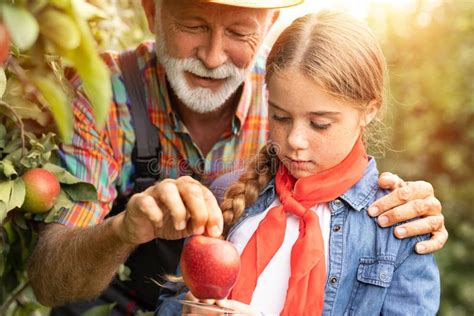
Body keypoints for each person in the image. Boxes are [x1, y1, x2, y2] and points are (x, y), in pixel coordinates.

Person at [27, 0, 446, 314]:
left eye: (240, 33)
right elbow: (49, 281)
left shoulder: (289, 86)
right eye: (193, 25)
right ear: (151, 9)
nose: (212, 57)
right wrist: (123, 230)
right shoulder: (109, 94)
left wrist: (405, 209)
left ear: (269, 25)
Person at [158, 11, 440, 315]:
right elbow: (170, 303)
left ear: (369, 110)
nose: (295, 140)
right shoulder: (228, 193)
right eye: (280, 117)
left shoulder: (397, 228)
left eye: (319, 124)